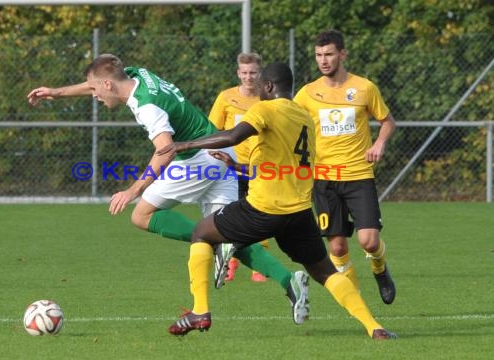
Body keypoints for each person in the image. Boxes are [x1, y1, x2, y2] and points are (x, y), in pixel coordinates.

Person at [27, 53, 310, 324]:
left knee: (141, 215)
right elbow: (98, 79)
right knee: (227, 233)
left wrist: (133, 190)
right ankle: (289, 281)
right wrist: (57, 92)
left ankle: (213, 245)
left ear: (109, 84)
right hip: (222, 153)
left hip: (199, 161)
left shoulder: (146, 105)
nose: (94, 95)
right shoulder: (138, 74)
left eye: (96, 90)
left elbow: (165, 150)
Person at [159, 61, 397, 340]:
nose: (257, 89)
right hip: (298, 213)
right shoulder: (304, 117)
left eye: (260, 84)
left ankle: (200, 310)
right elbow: (282, 166)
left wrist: (183, 145)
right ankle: (374, 326)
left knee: (201, 232)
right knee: (325, 272)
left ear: (269, 86)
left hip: (263, 209)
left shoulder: (265, 109)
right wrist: (237, 168)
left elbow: (234, 136)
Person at [293, 29, 397, 304]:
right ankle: (355, 299)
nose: (323, 60)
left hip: (358, 174)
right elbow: (288, 122)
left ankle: (380, 268)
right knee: (337, 246)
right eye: (318, 55)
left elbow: (387, 121)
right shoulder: (307, 93)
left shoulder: (364, 88)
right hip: (324, 179)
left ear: (342, 54)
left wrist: (379, 144)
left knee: (369, 242)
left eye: (328, 54)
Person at [208, 52, 267, 283]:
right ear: (238, 73)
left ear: (259, 73)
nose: (249, 77)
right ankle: (231, 263)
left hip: (258, 167)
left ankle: (259, 267)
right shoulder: (226, 97)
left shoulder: (265, 99)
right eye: (244, 72)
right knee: (231, 214)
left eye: (253, 72)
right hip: (230, 167)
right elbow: (213, 129)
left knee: (260, 214)